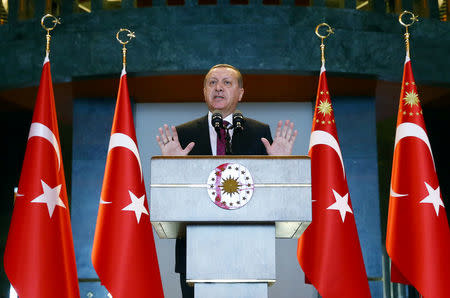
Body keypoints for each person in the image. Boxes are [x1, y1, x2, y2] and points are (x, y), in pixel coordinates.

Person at [155, 64, 298, 297]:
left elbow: (274, 199)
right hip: (195, 253)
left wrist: (280, 166)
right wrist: (173, 169)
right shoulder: (183, 135)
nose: (218, 88)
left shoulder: (259, 133)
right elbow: (172, 202)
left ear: (240, 93)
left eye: (226, 83)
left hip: (250, 252)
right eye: (212, 83)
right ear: (204, 91)